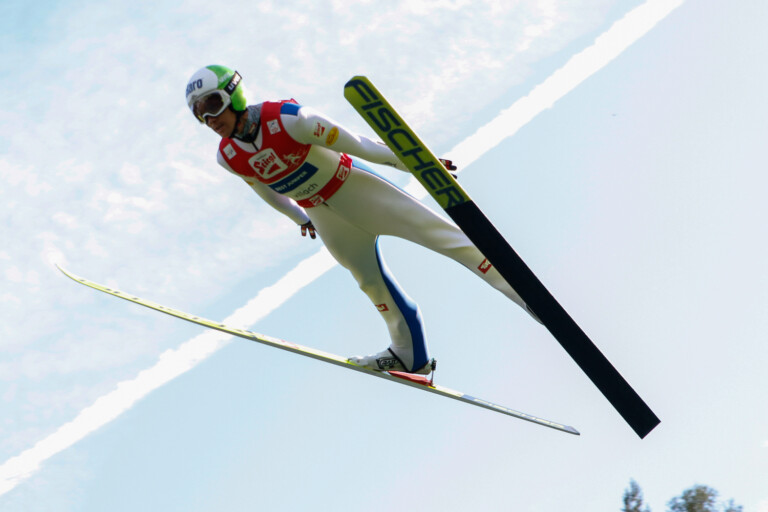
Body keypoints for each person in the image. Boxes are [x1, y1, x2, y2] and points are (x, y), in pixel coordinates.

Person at [185, 65, 538, 375]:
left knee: (447, 239)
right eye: (200, 114)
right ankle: (409, 356)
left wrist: (415, 163)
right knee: (371, 283)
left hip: (356, 189)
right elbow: (263, 189)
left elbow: (361, 144)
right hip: (324, 216)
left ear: (235, 94)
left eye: (212, 105)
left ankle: (529, 298)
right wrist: (298, 217)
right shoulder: (228, 157)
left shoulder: (292, 119)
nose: (210, 119)